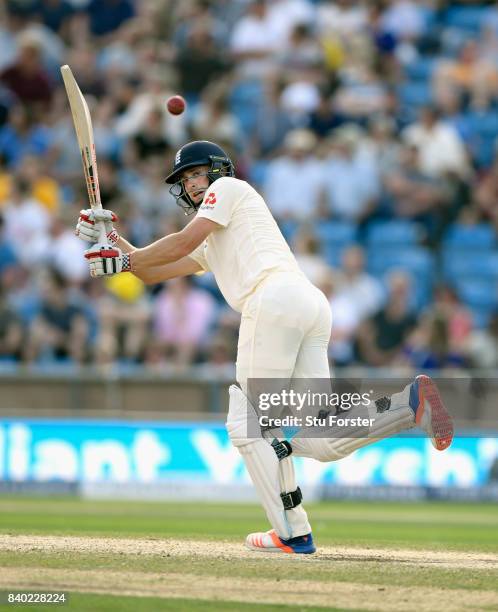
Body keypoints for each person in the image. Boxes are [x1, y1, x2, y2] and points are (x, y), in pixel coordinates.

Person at [75, 140, 454, 554]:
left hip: (273, 300)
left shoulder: (230, 191)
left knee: (247, 422)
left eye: (197, 174)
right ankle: (407, 404)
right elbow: (151, 271)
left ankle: (292, 533)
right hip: (305, 305)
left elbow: (177, 244)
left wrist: (124, 262)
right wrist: (110, 239)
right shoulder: (214, 233)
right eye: (186, 180)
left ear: (218, 170)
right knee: (321, 436)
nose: (193, 185)